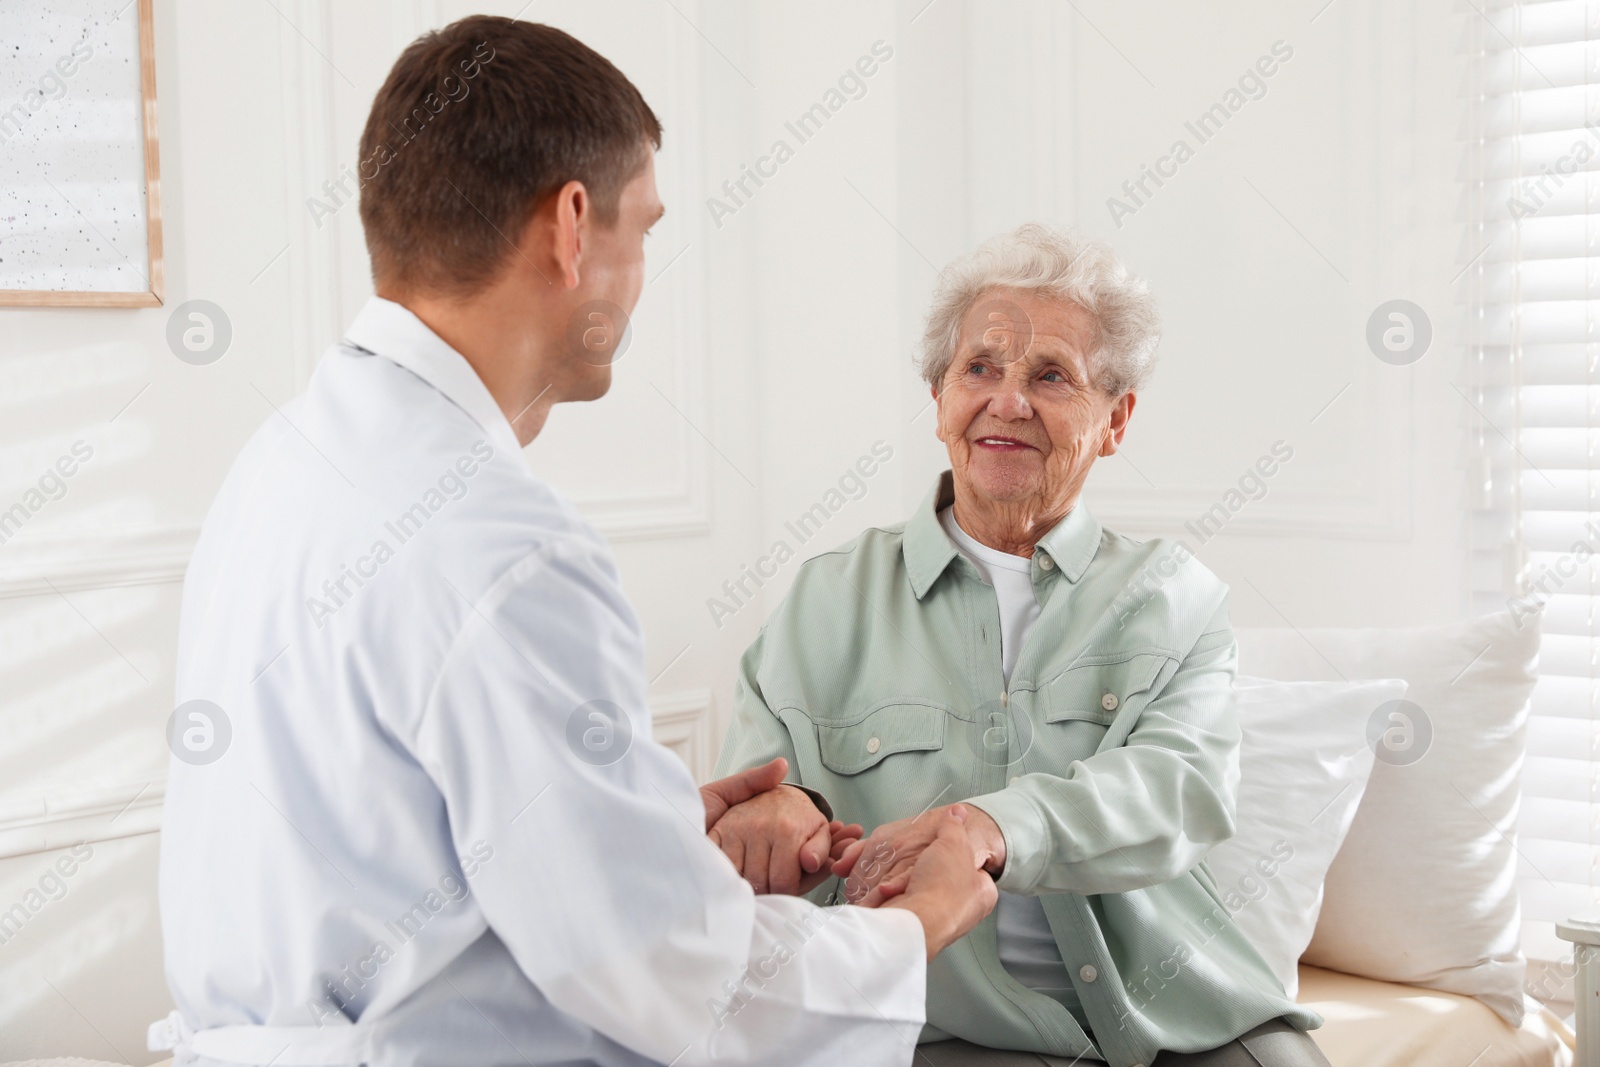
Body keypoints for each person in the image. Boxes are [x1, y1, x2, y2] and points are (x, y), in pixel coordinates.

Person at [151, 17, 995, 1067]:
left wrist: (641, 827)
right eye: (644, 228)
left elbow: (368, 833)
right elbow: (674, 981)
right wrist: (911, 929)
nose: (641, 271)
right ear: (572, 226)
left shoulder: (284, 458)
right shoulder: (502, 544)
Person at [711, 226, 1333, 1067]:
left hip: (1181, 1025)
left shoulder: (1174, 596)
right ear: (938, 398)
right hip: (936, 1027)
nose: (1008, 401)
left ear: (1115, 419)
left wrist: (986, 827)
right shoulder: (826, 600)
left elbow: (1180, 790)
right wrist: (781, 818)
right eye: (980, 369)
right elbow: (761, 803)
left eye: (1050, 376)